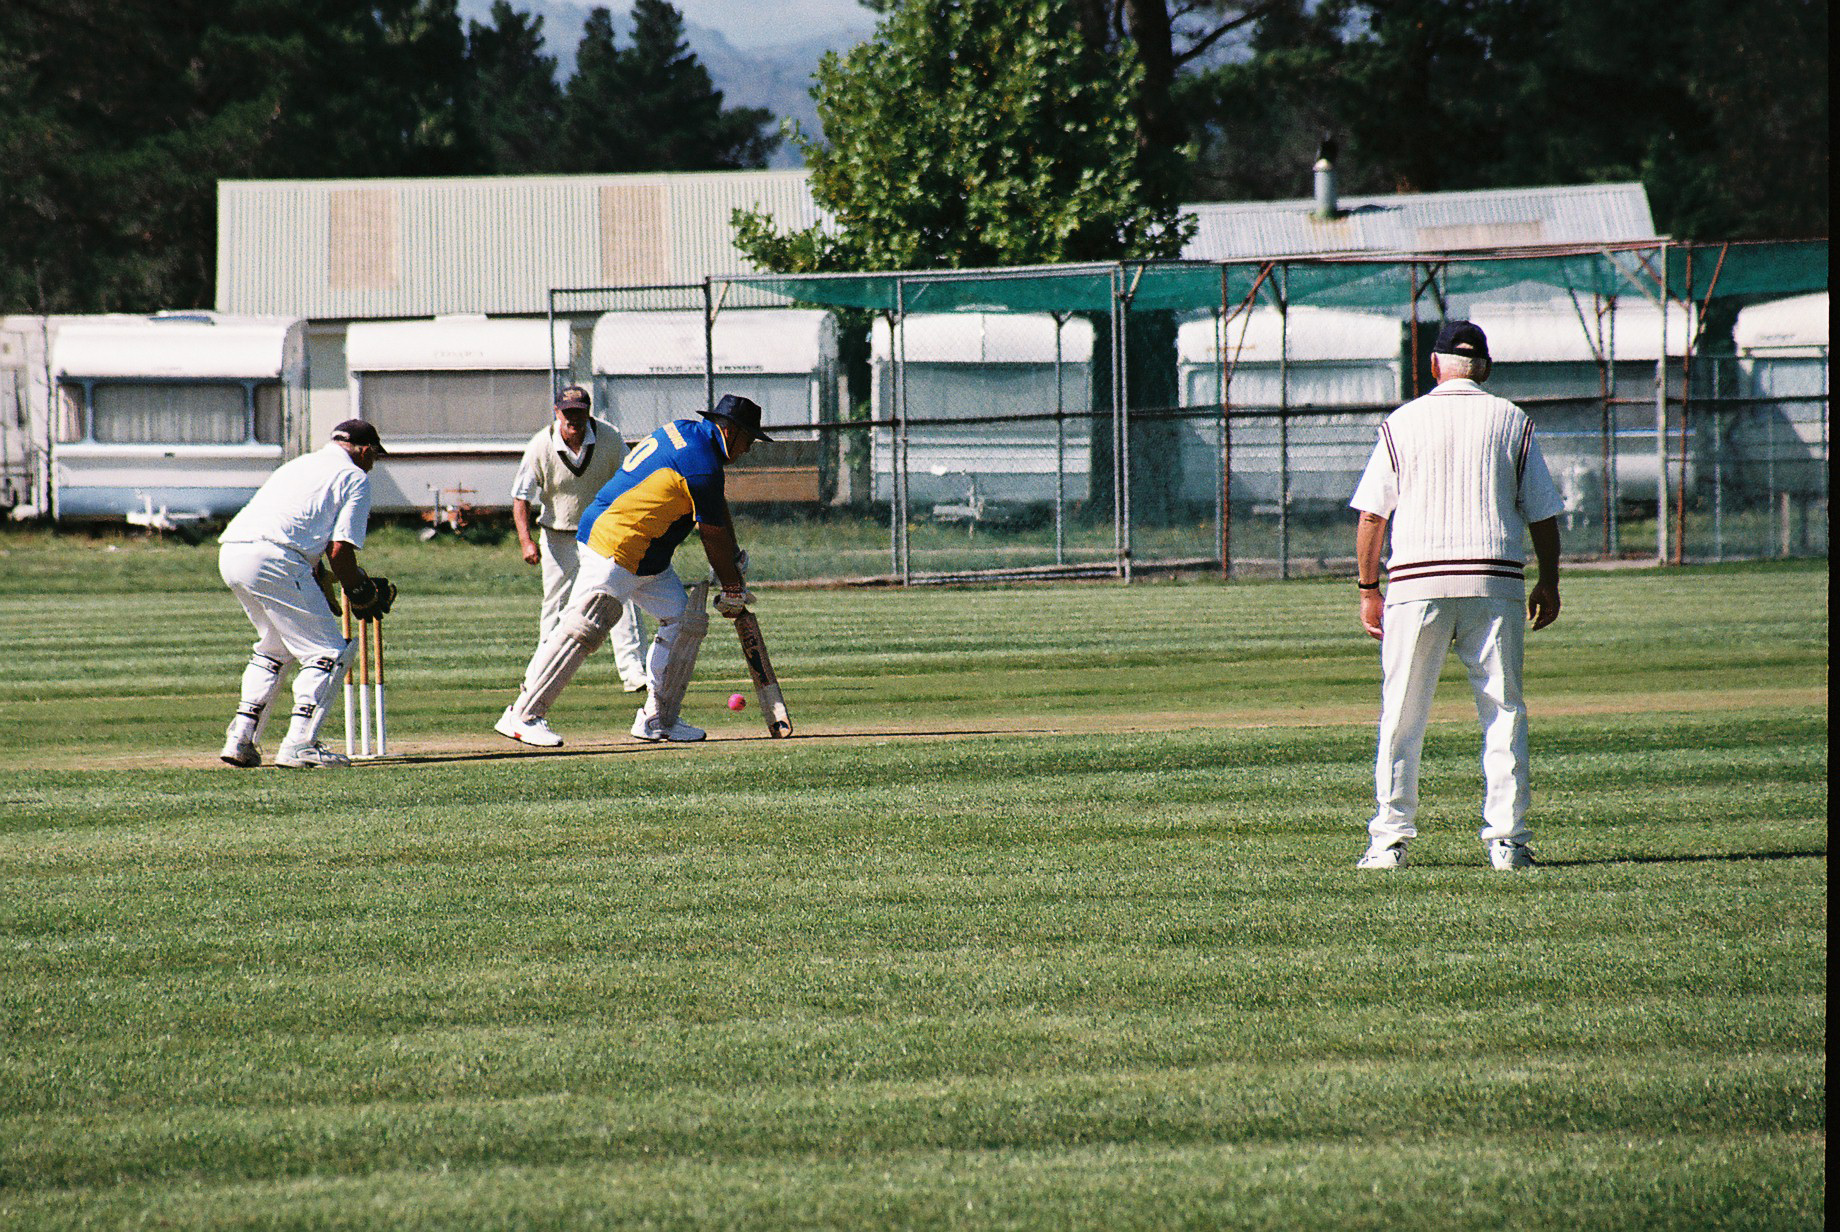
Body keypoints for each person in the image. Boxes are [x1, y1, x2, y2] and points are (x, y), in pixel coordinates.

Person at [1348, 321, 1565, 870]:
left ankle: (1388, 841)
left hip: (1416, 582)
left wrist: (1368, 587)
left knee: (1401, 712)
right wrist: (1550, 578)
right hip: (1494, 580)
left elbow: (1374, 513)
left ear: (1434, 365)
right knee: (1503, 709)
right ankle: (1507, 841)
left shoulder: (1402, 421)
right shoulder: (1513, 421)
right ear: (1485, 367)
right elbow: (1542, 512)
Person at [494, 393, 769, 748]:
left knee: (684, 622)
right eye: (748, 439)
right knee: (584, 626)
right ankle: (522, 714)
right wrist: (733, 588)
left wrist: (733, 558)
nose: (748, 449)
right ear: (730, 431)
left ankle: (658, 719)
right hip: (614, 543)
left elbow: (715, 511)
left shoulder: (689, 433)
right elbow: (711, 531)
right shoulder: (702, 462)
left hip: (647, 556)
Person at [217, 420, 397, 769]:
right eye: (375, 455)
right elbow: (340, 550)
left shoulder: (298, 465)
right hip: (276, 559)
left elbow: (302, 533)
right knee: (328, 651)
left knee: (274, 648)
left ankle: (241, 738)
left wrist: (326, 585)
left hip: (234, 553)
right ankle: (300, 744)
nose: (373, 463)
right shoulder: (354, 478)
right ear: (365, 449)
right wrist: (358, 591)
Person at [511, 384, 648, 692]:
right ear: (556, 412)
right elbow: (521, 499)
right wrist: (526, 541)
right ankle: (537, 678)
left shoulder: (610, 438)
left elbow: (631, 481)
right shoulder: (539, 446)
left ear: (588, 413)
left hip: (602, 534)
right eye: (567, 412)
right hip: (558, 536)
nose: (573, 420)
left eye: (579, 413)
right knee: (557, 608)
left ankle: (633, 672)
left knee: (620, 598)